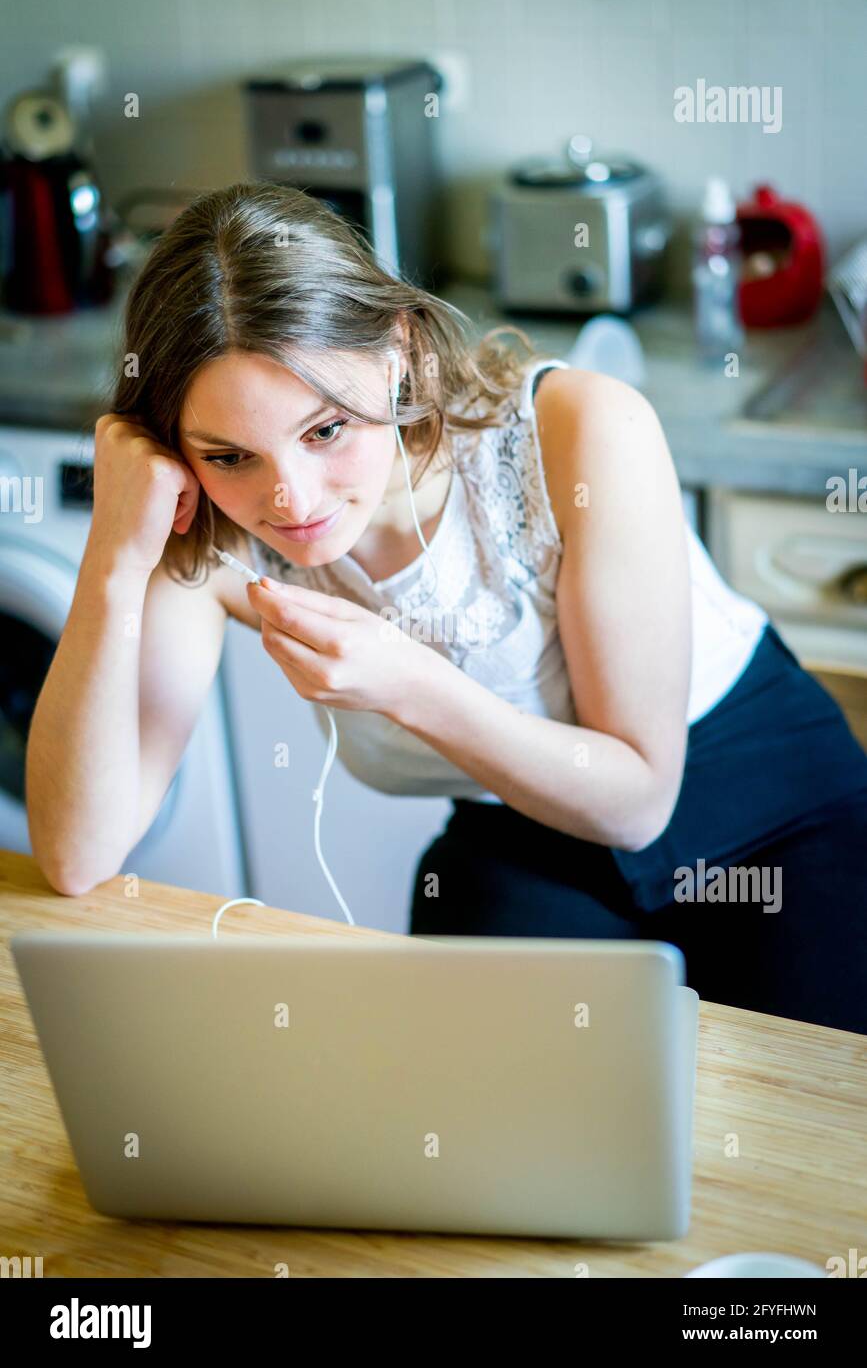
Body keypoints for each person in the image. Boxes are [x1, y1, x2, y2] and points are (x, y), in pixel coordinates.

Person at [26, 181, 867, 1035]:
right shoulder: (208, 536)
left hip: (766, 806)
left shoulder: (576, 429)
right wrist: (111, 557)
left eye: (325, 430)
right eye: (230, 454)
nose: (291, 499)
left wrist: (407, 682)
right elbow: (77, 852)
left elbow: (638, 801)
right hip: (525, 834)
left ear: (397, 350)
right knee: (486, 1124)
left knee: (802, 1113)